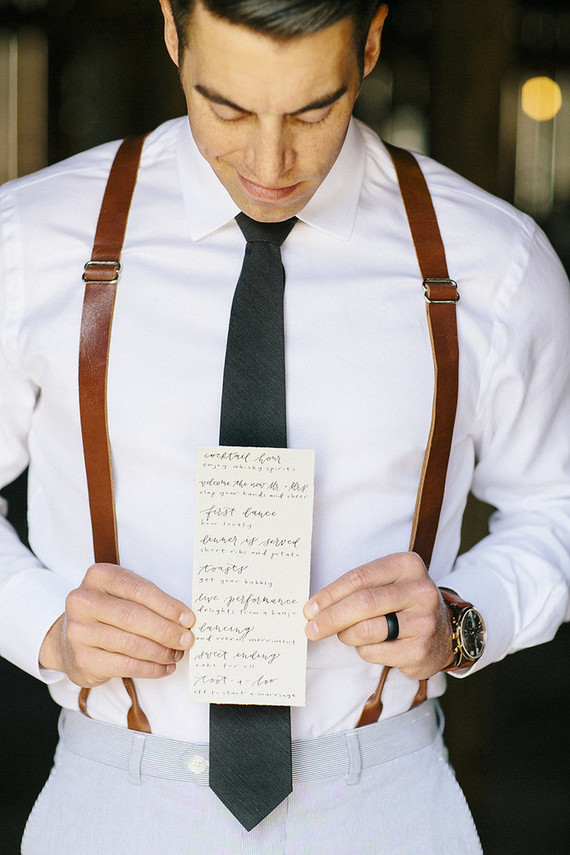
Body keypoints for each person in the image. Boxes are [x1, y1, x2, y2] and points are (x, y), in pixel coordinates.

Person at [0, 0, 568, 852]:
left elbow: (558, 508)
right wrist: (41, 622)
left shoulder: (493, 261)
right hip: (111, 801)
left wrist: (464, 620)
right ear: (171, 31)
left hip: (387, 803)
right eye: (226, 106)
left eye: (314, 109)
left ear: (370, 43)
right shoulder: (31, 240)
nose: (271, 161)